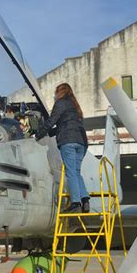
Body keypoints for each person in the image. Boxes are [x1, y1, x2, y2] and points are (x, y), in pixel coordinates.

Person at [35, 83, 90, 213]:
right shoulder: (75, 106)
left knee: (71, 172)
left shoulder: (61, 103)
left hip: (68, 141)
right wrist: (49, 133)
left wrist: (38, 134)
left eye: (55, 93)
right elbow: (66, 124)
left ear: (60, 92)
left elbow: (52, 121)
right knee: (76, 172)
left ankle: (76, 202)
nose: (54, 95)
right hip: (81, 142)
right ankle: (85, 199)